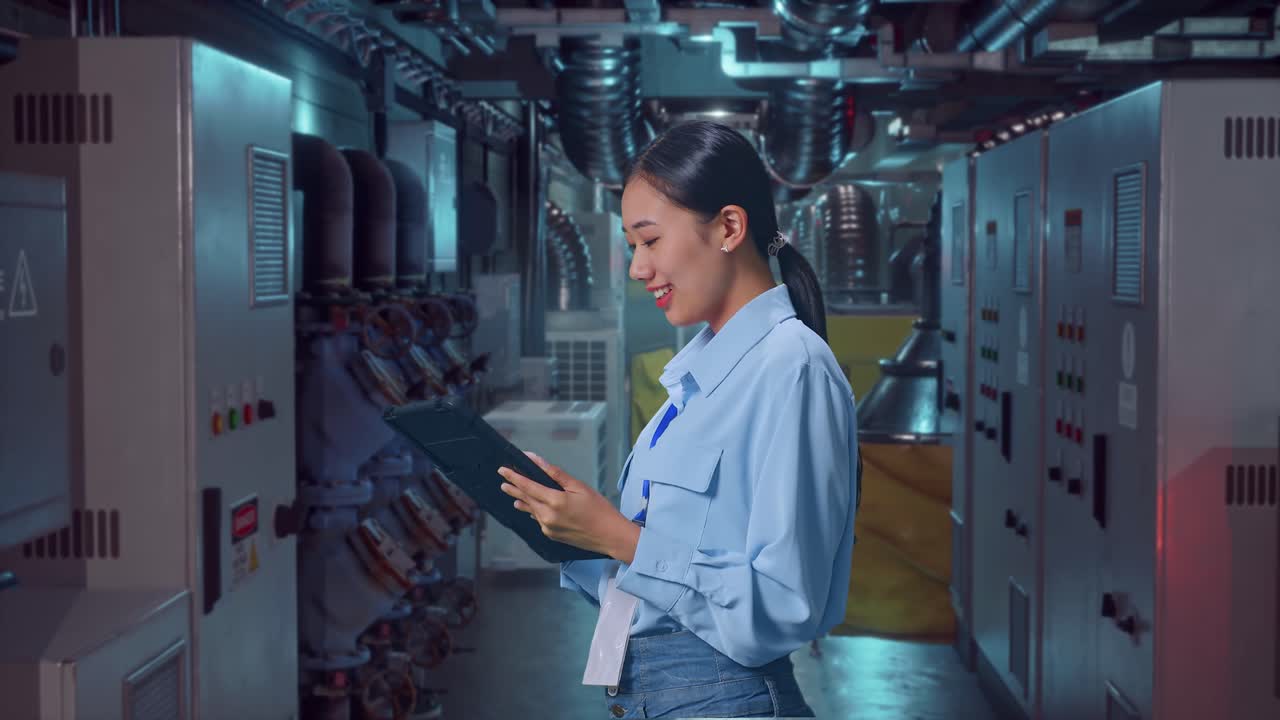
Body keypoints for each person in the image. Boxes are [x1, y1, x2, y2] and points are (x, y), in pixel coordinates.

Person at [497, 120, 861, 719]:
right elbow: (669, 574)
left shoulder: (791, 368)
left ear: (728, 227)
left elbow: (783, 603)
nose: (637, 268)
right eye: (631, 245)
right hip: (653, 695)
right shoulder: (696, 381)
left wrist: (618, 536)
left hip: (723, 698)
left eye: (649, 240)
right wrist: (573, 530)